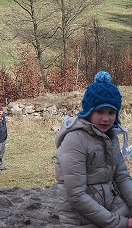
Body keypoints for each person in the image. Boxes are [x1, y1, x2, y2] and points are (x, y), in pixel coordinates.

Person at [55, 71, 132, 228]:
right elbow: (77, 196)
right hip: (79, 218)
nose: (106, 118)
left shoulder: (110, 136)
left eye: (111, 112)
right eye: (100, 111)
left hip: (109, 206)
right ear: (89, 112)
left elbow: (122, 177)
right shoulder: (75, 140)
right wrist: (121, 223)